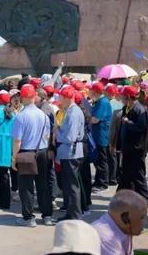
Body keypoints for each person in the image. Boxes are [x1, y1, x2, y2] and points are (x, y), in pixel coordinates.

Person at [12, 83, 54, 227]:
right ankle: (47, 215)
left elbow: (17, 140)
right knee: (43, 184)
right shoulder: (43, 115)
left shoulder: (21, 117)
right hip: (42, 152)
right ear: (34, 96)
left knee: (26, 186)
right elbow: (48, 137)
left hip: (26, 153)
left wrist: (14, 158)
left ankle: (28, 217)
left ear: (22, 97)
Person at [56, 85, 85, 221]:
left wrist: (58, 133)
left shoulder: (73, 113)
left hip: (70, 152)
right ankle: (71, 212)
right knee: (70, 185)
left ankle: (74, 213)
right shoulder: (71, 110)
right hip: (70, 152)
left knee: (72, 185)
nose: (59, 98)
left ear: (66, 98)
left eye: (61, 96)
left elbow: (70, 137)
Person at [92, 189, 148, 255]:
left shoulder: (123, 228)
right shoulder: (106, 238)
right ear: (125, 218)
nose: (145, 222)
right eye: (142, 217)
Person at [117, 86, 148, 200]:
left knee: (138, 175)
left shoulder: (139, 109)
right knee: (126, 173)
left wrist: (128, 122)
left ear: (129, 97)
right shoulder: (127, 107)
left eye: (123, 96)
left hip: (137, 148)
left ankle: (145, 199)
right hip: (128, 147)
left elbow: (141, 127)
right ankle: (122, 196)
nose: (121, 98)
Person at [90, 82, 112, 191]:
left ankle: (103, 183)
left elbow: (95, 119)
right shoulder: (98, 101)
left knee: (101, 161)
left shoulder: (102, 102)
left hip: (101, 136)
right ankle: (98, 181)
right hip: (98, 135)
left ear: (95, 91)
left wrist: (85, 118)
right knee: (98, 160)